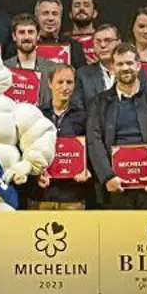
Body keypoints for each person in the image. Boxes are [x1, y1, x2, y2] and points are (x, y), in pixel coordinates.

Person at [85, 43, 147, 208]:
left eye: (130, 63)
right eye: (120, 64)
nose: (125, 68)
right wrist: (107, 177)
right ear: (112, 68)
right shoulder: (98, 102)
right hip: (115, 186)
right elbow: (94, 141)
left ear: (138, 65)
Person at [30, 66, 93, 210]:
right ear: (50, 83)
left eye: (69, 82)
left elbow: (91, 150)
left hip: (72, 196)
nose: (65, 87)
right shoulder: (37, 115)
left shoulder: (84, 116)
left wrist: (87, 170)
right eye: (60, 82)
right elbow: (28, 148)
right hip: (41, 195)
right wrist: (35, 174)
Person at [31, 0, 88, 68]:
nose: (50, 18)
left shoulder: (74, 46)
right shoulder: (27, 44)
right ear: (36, 18)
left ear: (60, 18)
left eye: (55, 14)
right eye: (45, 13)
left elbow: (82, 74)